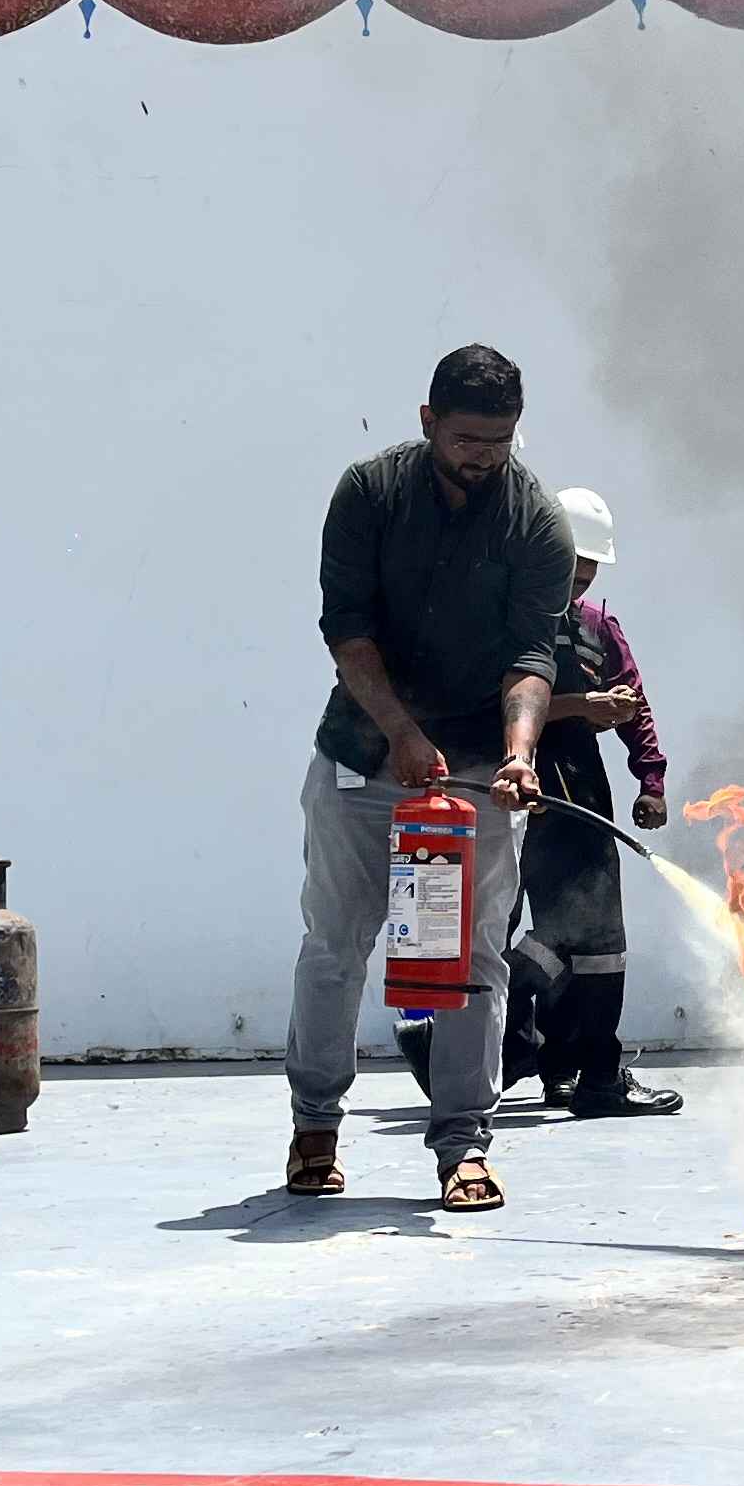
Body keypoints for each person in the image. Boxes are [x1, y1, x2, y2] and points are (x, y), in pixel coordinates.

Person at [287, 344, 571, 1213]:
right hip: (363, 762)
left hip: (478, 776)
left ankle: (463, 1144)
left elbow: (533, 654)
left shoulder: (537, 521)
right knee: (336, 949)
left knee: (471, 960)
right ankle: (315, 1127)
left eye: (500, 441)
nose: (483, 457)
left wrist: (519, 754)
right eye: (466, 439)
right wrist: (401, 733)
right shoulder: (369, 494)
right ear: (426, 422)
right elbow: (348, 632)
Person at [515, 484, 680, 1117]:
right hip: (525, 788)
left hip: (582, 788)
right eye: (572, 560)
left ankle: (569, 1069)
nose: (581, 575)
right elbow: (496, 707)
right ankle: (533, 1053)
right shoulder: (513, 620)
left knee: (593, 940)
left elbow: (633, 702)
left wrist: (652, 782)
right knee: (574, 935)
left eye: (591, 566)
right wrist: (583, 706)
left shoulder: (596, 627)